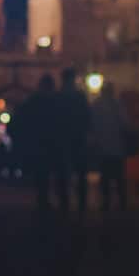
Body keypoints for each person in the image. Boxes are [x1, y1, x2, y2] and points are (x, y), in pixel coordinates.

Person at [12, 74, 62, 212]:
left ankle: (43, 200)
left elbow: (21, 121)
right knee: (52, 173)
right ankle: (53, 201)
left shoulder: (33, 101)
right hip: (51, 143)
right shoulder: (55, 101)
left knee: (41, 174)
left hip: (38, 143)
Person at [89, 82, 133, 212]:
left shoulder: (96, 105)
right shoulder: (117, 105)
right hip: (117, 147)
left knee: (105, 177)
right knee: (119, 177)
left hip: (102, 147)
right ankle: (122, 202)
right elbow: (125, 124)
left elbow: (92, 125)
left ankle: (106, 202)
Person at [57, 68, 92, 214]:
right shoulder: (80, 96)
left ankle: (64, 203)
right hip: (78, 138)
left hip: (63, 139)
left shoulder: (59, 97)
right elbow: (87, 117)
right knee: (80, 172)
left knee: (63, 173)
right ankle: (82, 204)